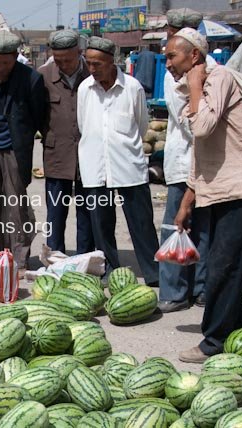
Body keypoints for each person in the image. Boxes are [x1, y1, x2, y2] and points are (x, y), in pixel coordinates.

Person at [166, 29, 242, 363]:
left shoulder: (220, 77)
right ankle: (237, 324)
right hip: (218, 190)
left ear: (193, 56)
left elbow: (203, 127)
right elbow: (203, 151)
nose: (166, 63)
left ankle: (214, 340)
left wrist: (196, 85)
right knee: (225, 263)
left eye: (172, 56)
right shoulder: (196, 88)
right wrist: (186, 202)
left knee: (224, 265)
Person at [77, 37, 159, 286]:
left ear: (112, 61)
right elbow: (84, 126)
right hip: (95, 166)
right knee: (101, 225)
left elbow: (142, 124)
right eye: (88, 63)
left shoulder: (132, 88)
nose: (92, 69)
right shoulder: (84, 89)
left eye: (97, 64)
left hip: (128, 166)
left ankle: (154, 273)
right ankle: (110, 271)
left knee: (141, 224)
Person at [0, 31, 47, 275]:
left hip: (15, 150)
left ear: (16, 57)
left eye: (6, 62)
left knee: (17, 207)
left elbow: (37, 116)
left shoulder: (31, 79)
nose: (0, 67)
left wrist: (23, 138)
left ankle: (19, 259)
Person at [158, 8, 215, 313]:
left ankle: (177, 291)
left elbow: (191, 123)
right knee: (199, 226)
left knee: (178, 225)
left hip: (191, 161)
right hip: (196, 161)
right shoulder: (188, 64)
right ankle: (200, 288)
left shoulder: (180, 69)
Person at [38, 29, 93, 254]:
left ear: (79, 53)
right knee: (55, 212)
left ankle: (85, 257)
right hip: (57, 154)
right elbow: (37, 114)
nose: (63, 65)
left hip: (88, 155)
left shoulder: (92, 73)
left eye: (68, 60)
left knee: (87, 212)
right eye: (58, 60)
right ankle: (55, 256)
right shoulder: (42, 75)